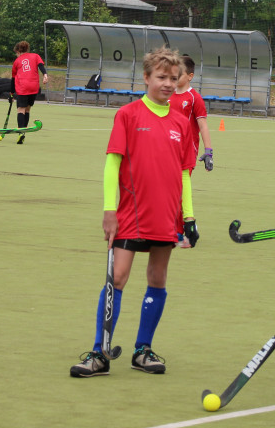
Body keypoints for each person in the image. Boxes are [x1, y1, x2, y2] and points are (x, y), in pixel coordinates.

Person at [70, 46, 199, 378]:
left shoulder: (181, 123)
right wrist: (108, 210)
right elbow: (112, 163)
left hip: (166, 216)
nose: (168, 84)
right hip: (130, 215)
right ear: (146, 78)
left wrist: (189, 216)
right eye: (161, 77)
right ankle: (99, 352)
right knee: (117, 278)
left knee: (157, 278)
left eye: (174, 78)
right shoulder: (128, 115)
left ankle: (143, 349)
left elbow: (184, 172)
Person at [170, 55, 214, 248]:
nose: (174, 77)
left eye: (178, 74)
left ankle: (185, 231)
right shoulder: (168, 93)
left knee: (180, 190)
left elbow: (203, 125)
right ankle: (176, 229)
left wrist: (209, 151)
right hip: (168, 148)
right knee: (169, 190)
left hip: (187, 151)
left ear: (190, 76)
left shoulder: (194, 98)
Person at [10, 41, 49, 144]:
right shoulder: (35, 56)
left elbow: (13, 80)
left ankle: (21, 132)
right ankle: (24, 132)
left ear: (18, 51)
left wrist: (11, 94)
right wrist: (45, 75)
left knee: (20, 110)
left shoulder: (17, 61)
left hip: (23, 87)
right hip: (34, 87)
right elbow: (41, 66)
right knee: (27, 109)